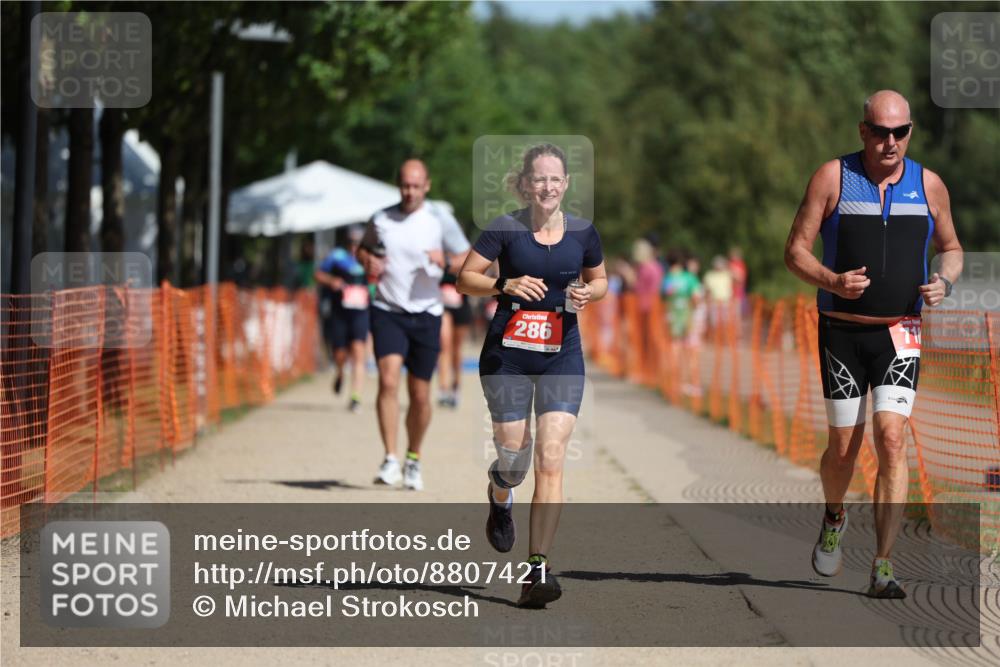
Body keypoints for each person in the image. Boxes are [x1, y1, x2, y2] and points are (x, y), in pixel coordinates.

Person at [784, 90, 963, 598]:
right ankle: (835, 514)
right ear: (862, 130)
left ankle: (883, 564)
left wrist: (943, 282)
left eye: (900, 132)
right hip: (841, 331)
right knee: (843, 449)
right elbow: (794, 251)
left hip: (901, 331)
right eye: (881, 131)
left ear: (910, 132)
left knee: (892, 438)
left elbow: (951, 248)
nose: (891, 142)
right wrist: (831, 280)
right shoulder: (832, 177)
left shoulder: (929, 184)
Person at [457, 143, 607, 608]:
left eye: (555, 179)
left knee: (551, 456)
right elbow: (464, 278)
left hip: (562, 354)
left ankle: (537, 569)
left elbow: (600, 279)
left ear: (566, 185)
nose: (547, 187)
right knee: (515, 460)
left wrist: (588, 294)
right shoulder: (504, 229)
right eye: (539, 179)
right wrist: (504, 283)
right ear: (525, 185)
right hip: (509, 357)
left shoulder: (583, 231)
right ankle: (500, 495)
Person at [357, 160, 470, 491]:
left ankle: (413, 458)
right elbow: (361, 249)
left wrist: (446, 262)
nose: (410, 192)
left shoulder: (439, 219)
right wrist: (368, 260)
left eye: (416, 186)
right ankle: (390, 458)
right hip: (387, 308)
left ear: (427, 186)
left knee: (420, 395)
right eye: (405, 185)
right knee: (388, 381)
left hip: (426, 313)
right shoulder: (381, 219)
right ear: (398, 185)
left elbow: (469, 257)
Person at [314, 226, 369, 412]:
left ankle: (356, 397)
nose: (354, 247)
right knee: (340, 354)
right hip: (340, 313)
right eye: (352, 243)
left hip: (361, 313)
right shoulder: (337, 256)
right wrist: (332, 282)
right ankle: (339, 372)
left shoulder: (370, 259)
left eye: (358, 243)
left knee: (359, 352)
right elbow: (319, 274)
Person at [437, 269, 473, 409]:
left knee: (456, 349)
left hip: (461, 306)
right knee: (444, 345)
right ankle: (443, 388)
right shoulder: (437, 249)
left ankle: (456, 386)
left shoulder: (466, 252)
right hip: (442, 305)